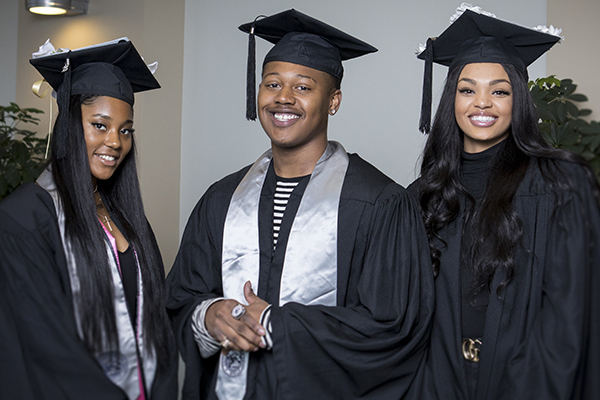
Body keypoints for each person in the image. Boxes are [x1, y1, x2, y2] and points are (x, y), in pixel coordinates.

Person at [166, 9, 434, 400]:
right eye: (272, 84)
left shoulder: (379, 203)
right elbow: (181, 297)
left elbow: (394, 327)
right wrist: (207, 316)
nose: (283, 98)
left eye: (303, 87)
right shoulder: (222, 199)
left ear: (334, 100)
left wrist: (278, 324)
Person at [408, 4, 600, 399]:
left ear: (519, 100)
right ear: (451, 100)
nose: (482, 103)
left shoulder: (561, 183)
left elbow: (572, 315)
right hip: (438, 383)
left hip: (530, 383)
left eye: (499, 90)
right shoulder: (424, 194)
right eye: (467, 89)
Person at [0, 39, 177, 399]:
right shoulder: (25, 217)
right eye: (100, 125)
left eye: (125, 130)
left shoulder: (127, 218)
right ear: (68, 125)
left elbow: (157, 323)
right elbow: (44, 344)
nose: (115, 141)